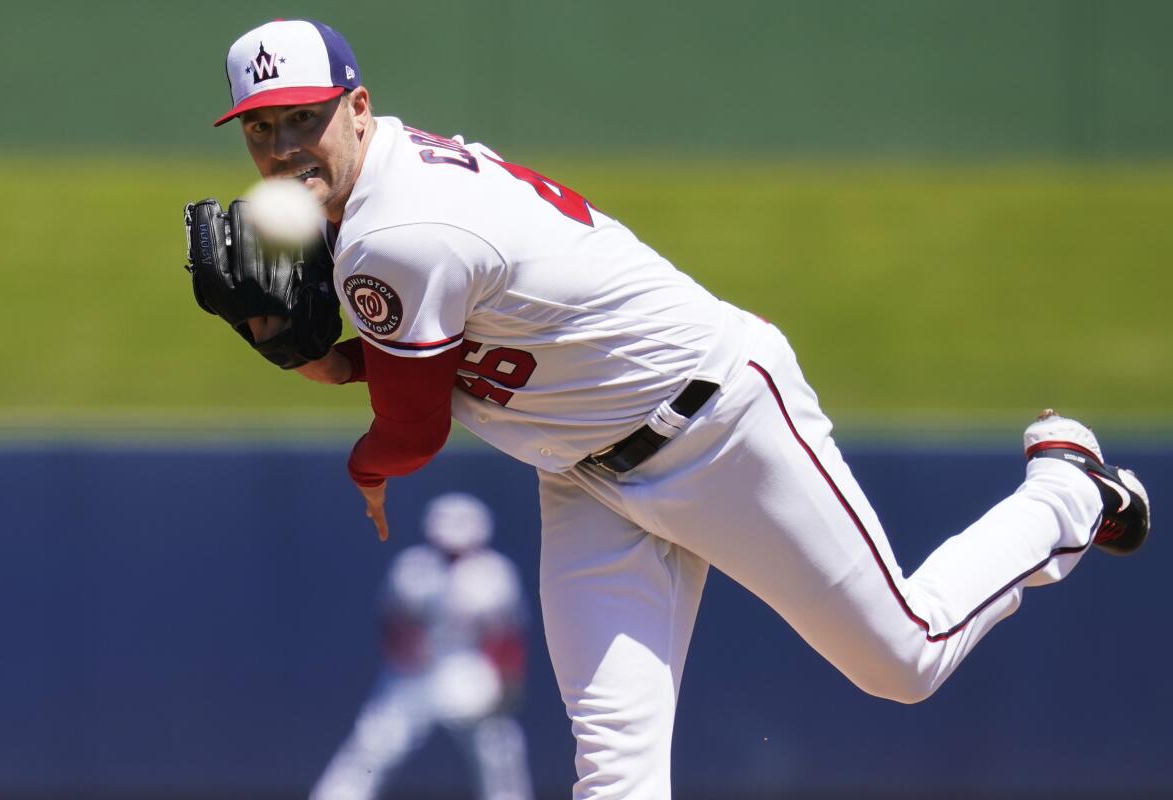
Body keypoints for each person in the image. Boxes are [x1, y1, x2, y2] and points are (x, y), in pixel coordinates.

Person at [209, 19, 1152, 798]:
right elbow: (448, 353)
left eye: (304, 117)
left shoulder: (395, 235)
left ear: (358, 107)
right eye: (260, 128)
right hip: (585, 475)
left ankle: (1065, 494)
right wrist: (328, 358)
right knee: (615, 773)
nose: (283, 147)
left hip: (723, 424)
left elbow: (411, 433)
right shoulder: (382, 194)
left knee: (901, 657)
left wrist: (349, 443)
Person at [312, 493, 533, 800]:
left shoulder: (494, 573)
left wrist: (506, 683)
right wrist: (408, 656)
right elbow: (393, 621)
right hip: (418, 669)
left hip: (469, 664)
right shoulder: (413, 567)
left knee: (498, 746)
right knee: (374, 740)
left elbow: (507, 635)